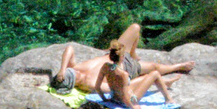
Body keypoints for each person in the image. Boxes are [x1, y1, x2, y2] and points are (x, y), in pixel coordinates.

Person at [49, 23, 194, 92]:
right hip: (126, 67)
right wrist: (152, 82)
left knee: (135, 28)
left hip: (114, 53)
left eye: (70, 72)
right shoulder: (92, 84)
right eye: (72, 75)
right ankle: (178, 67)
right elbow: (122, 87)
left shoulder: (74, 68)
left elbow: (69, 49)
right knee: (155, 68)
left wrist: (62, 69)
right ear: (73, 83)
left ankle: (133, 53)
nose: (75, 72)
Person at [95, 40, 182, 108]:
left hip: (114, 98)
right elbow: (126, 97)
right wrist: (133, 107)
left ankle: (165, 83)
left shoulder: (105, 66)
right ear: (121, 57)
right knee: (155, 73)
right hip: (129, 100)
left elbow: (97, 87)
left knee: (146, 77)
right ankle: (168, 99)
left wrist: (105, 99)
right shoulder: (123, 74)